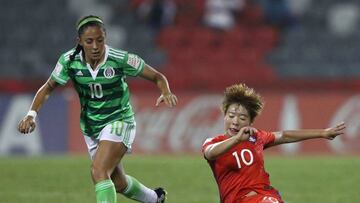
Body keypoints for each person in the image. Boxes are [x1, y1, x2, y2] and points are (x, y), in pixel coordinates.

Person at [18, 15, 178, 203]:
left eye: (100, 41)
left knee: (99, 172)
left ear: (105, 39)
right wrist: (31, 114)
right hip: (92, 126)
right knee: (118, 183)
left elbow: (157, 76)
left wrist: (165, 91)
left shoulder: (120, 59)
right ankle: (154, 198)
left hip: (119, 120)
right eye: (89, 41)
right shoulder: (69, 60)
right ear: (79, 42)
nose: (95, 46)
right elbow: (48, 87)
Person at [202, 83, 346, 203]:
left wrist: (322, 133)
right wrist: (237, 139)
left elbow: (284, 135)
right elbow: (210, 153)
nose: (235, 121)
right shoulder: (214, 142)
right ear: (224, 116)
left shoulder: (256, 137)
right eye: (231, 115)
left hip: (263, 197)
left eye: (242, 117)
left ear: (250, 122)